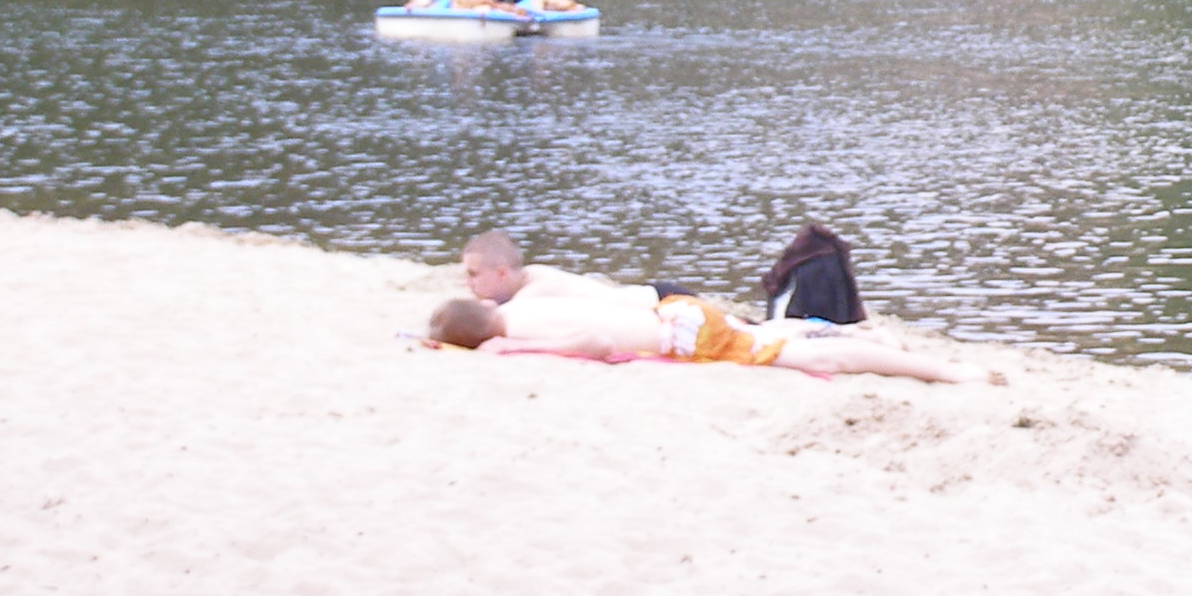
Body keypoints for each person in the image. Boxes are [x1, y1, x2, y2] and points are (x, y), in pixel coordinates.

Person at [428, 289, 999, 385]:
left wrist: (528, 349)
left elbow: (595, 345)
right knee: (760, 334)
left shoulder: (522, 324)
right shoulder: (525, 301)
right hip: (675, 311)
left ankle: (948, 372)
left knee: (823, 361)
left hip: (684, 334)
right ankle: (826, 324)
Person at [459, 228, 645, 307]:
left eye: (473, 275)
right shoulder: (529, 274)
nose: (467, 283)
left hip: (648, 302)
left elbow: (498, 319)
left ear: (502, 273)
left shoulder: (535, 290)